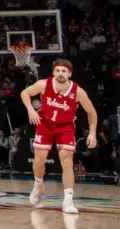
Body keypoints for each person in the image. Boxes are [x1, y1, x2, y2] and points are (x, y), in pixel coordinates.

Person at [21, 59, 98, 214]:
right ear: (53, 72)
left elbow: (91, 112)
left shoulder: (78, 91)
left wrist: (92, 133)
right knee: (39, 159)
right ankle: (38, 184)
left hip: (65, 127)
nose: (60, 73)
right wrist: (30, 109)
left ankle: (68, 201)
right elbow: (25, 93)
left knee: (67, 161)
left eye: (63, 71)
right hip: (45, 124)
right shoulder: (44, 84)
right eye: (57, 70)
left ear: (69, 73)